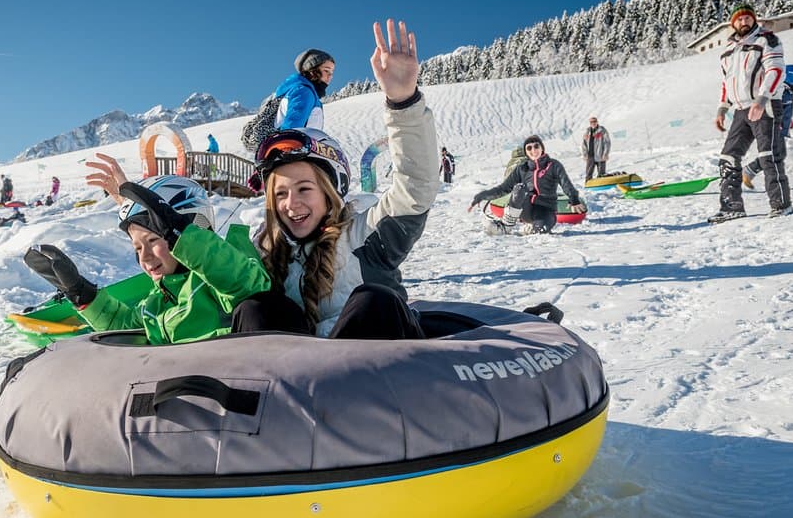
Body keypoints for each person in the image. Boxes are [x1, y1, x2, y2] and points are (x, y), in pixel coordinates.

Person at [234, 19, 436, 340]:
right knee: (257, 308)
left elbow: (415, 188)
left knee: (373, 301)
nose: (291, 203)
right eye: (280, 193)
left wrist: (403, 102)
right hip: (299, 369)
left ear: (331, 192)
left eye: (304, 188)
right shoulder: (265, 251)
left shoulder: (363, 237)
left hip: (382, 363)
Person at [23, 153, 270, 344]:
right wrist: (82, 293)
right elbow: (126, 328)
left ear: (193, 227)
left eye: (153, 241)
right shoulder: (160, 298)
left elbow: (247, 286)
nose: (146, 257)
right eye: (138, 247)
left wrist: (181, 234)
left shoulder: (223, 275)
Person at [711, 3, 792, 222]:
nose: (744, 21)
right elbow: (727, 83)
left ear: (754, 20)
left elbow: (776, 70)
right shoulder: (728, 50)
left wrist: (762, 99)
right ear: (733, 23)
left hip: (765, 105)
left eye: (748, 18)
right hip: (740, 110)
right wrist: (722, 108)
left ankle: (781, 204)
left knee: (768, 155)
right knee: (728, 157)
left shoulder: (766, 40)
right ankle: (732, 207)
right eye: (739, 19)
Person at [468, 135, 587, 235]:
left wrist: (574, 199)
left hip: (546, 210)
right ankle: (506, 226)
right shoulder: (522, 169)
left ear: (542, 148)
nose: (533, 150)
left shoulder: (553, 165)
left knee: (540, 231)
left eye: (536, 146)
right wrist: (483, 195)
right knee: (519, 188)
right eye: (529, 148)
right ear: (526, 152)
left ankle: (532, 227)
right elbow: (504, 188)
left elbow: (566, 183)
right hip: (526, 208)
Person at [743, 64, 793, 189]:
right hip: (775, 128)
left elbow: (784, 111)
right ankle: (750, 171)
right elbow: (773, 109)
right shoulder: (783, 92)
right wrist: (777, 123)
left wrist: (788, 122)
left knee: (778, 154)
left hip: (780, 129)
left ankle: (750, 171)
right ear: (791, 77)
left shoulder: (787, 92)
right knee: (775, 154)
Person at [275, 48, 335, 130]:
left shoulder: (298, 89)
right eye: (326, 70)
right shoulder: (304, 92)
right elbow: (291, 131)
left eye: (332, 72)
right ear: (312, 70)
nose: (330, 76)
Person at [580, 117, 611, 181]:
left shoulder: (602, 130)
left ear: (597, 122)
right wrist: (585, 155)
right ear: (590, 123)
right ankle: (588, 184)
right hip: (590, 156)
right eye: (591, 122)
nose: (593, 123)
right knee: (588, 174)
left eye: (594, 121)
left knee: (601, 174)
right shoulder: (587, 132)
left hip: (600, 155)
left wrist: (605, 154)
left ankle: (601, 185)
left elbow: (607, 143)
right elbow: (584, 144)